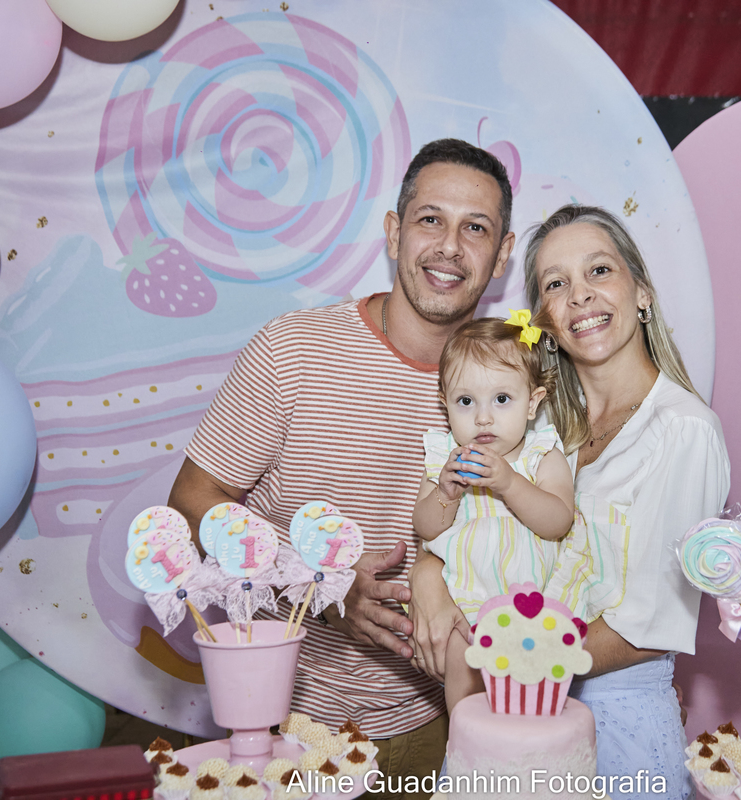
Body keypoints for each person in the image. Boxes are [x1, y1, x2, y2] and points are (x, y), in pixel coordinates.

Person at [167, 138, 515, 800]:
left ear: (502, 255)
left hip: (435, 725)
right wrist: (319, 583)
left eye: (476, 228)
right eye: (430, 220)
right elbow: (191, 501)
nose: (449, 246)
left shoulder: (510, 389)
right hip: (280, 725)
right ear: (394, 232)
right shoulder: (293, 350)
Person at [409, 204, 730, 800]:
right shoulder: (535, 428)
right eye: (556, 284)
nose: (580, 295)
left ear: (643, 293)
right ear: (546, 323)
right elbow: (477, 531)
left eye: (599, 270)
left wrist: (503, 662)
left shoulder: (682, 431)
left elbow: (647, 626)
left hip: (607, 724)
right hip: (502, 715)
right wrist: (428, 573)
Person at [412, 316, 576, 712]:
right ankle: (467, 739)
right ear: (445, 403)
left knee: (528, 700)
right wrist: (446, 494)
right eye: (466, 402)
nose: (483, 418)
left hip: (528, 604)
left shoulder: (541, 454)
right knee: (465, 688)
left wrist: (509, 483)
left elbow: (558, 521)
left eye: (501, 399)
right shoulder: (445, 457)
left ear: (532, 402)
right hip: (460, 599)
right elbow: (426, 528)